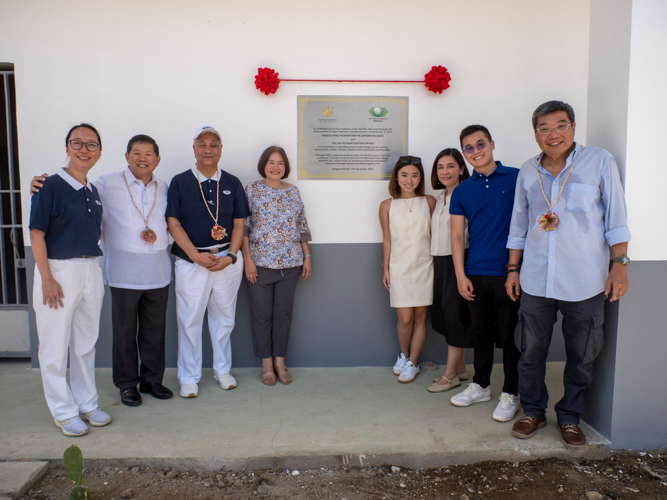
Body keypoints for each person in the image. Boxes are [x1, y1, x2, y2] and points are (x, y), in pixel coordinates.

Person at [506, 101, 631, 449]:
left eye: (560, 125)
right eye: (544, 128)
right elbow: (519, 225)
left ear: (573, 128)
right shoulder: (528, 171)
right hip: (534, 278)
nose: (552, 134)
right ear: (535, 135)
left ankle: (570, 416)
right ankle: (532, 410)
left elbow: (616, 220)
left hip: (586, 279)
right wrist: (513, 269)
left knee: (584, 352)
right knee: (530, 350)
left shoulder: (600, 162)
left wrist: (619, 266)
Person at [31, 135, 174, 408]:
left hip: (158, 271)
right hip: (122, 271)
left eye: (148, 154)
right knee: (124, 332)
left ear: (157, 158)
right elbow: (72, 190)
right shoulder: (106, 184)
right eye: (136, 153)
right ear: (126, 156)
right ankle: (127, 385)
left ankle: (152, 380)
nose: (142, 158)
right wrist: (39, 184)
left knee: (155, 331)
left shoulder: (164, 187)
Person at [29, 123, 112, 436]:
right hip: (59, 270)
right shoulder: (49, 186)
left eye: (91, 145)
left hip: (91, 269)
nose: (84, 149)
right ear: (67, 148)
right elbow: (37, 233)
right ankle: (63, 412)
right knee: (54, 345)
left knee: (85, 343)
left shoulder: (92, 190)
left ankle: (87, 403)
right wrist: (47, 279)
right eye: (77, 143)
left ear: (100, 152)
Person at [166, 126, 250, 398]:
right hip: (192, 262)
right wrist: (195, 255)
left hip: (226, 260)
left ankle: (222, 370)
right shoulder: (180, 182)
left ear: (221, 150)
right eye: (202, 144)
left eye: (214, 144)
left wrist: (231, 256)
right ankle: (189, 376)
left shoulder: (232, 182)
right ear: (194, 149)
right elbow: (173, 222)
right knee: (189, 319)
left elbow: (239, 223)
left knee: (224, 318)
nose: (208, 149)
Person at [448, 125, 522, 423]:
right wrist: (460, 275)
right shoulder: (462, 190)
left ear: (492, 144)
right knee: (480, 333)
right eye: (469, 147)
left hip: (509, 274)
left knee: (509, 335)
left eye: (480, 144)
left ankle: (511, 392)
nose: (476, 151)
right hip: (474, 272)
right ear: (464, 153)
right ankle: (480, 385)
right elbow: (455, 237)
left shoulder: (518, 177)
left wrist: (514, 270)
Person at [242, 146, 312, 386]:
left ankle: (280, 362)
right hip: (260, 264)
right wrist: (248, 260)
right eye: (271, 162)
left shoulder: (293, 191)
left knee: (283, 315)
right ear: (264, 164)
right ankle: (266, 364)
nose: (275, 167)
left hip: (290, 265)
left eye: (280, 163)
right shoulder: (252, 189)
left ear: (286, 167)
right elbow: (244, 226)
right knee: (262, 316)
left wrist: (307, 257)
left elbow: (302, 225)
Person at [379, 156, 436, 383]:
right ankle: (403, 355)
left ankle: (413, 362)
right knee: (404, 318)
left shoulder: (430, 201)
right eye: (404, 175)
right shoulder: (387, 205)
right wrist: (386, 269)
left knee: (421, 317)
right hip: (399, 267)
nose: (409, 180)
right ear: (397, 177)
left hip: (425, 265)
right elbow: (387, 239)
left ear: (420, 177)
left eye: (414, 175)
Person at [427, 148, 473, 393]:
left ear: (462, 169)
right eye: (440, 167)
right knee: (446, 313)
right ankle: (462, 367)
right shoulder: (438, 197)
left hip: (458, 260)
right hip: (439, 260)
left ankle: (450, 375)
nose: (445, 171)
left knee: (454, 314)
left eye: (451, 166)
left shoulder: (466, 194)